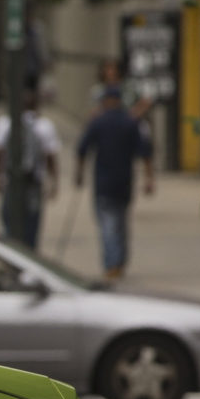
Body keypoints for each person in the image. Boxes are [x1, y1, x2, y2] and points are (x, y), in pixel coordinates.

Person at [75, 84, 156, 280]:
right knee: (120, 222)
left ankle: (112, 264)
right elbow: (145, 153)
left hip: (103, 182)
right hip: (125, 181)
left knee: (108, 224)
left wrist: (79, 173)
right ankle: (119, 261)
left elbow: (82, 149)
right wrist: (148, 178)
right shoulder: (131, 122)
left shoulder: (98, 122)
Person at [0, 83, 60, 250]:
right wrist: (54, 182)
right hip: (34, 184)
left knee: (9, 223)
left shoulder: (5, 123)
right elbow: (50, 157)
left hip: (11, 183)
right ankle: (29, 258)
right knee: (32, 225)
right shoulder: (45, 126)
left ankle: (12, 256)